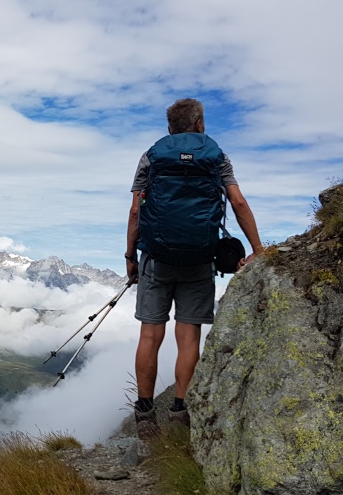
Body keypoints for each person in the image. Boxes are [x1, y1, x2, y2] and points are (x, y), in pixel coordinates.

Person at [125, 98, 262, 434]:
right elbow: (238, 201)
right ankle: (179, 411)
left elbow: (135, 212)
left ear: (170, 128)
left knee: (150, 335)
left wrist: (130, 257)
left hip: (156, 258)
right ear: (200, 124)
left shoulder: (152, 157)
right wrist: (258, 248)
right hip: (200, 259)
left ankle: (144, 414)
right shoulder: (217, 157)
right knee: (188, 338)